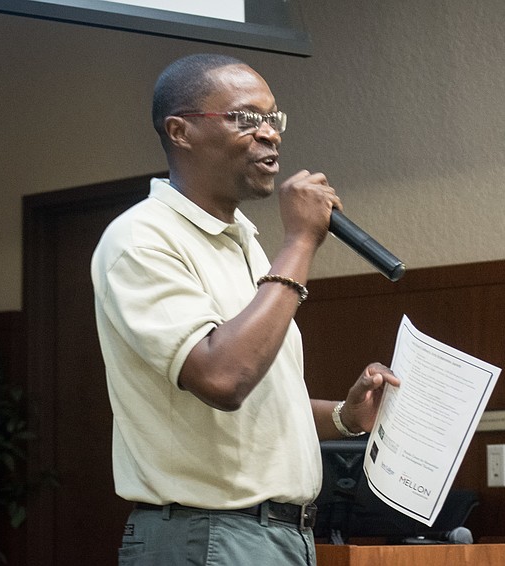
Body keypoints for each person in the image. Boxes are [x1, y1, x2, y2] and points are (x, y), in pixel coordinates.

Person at [90, 53, 400, 566]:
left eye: (273, 119)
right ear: (181, 131)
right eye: (245, 118)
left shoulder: (243, 242)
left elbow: (255, 406)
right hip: (209, 536)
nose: (270, 134)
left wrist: (346, 417)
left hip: (279, 536)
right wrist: (300, 240)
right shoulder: (141, 239)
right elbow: (223, 377)